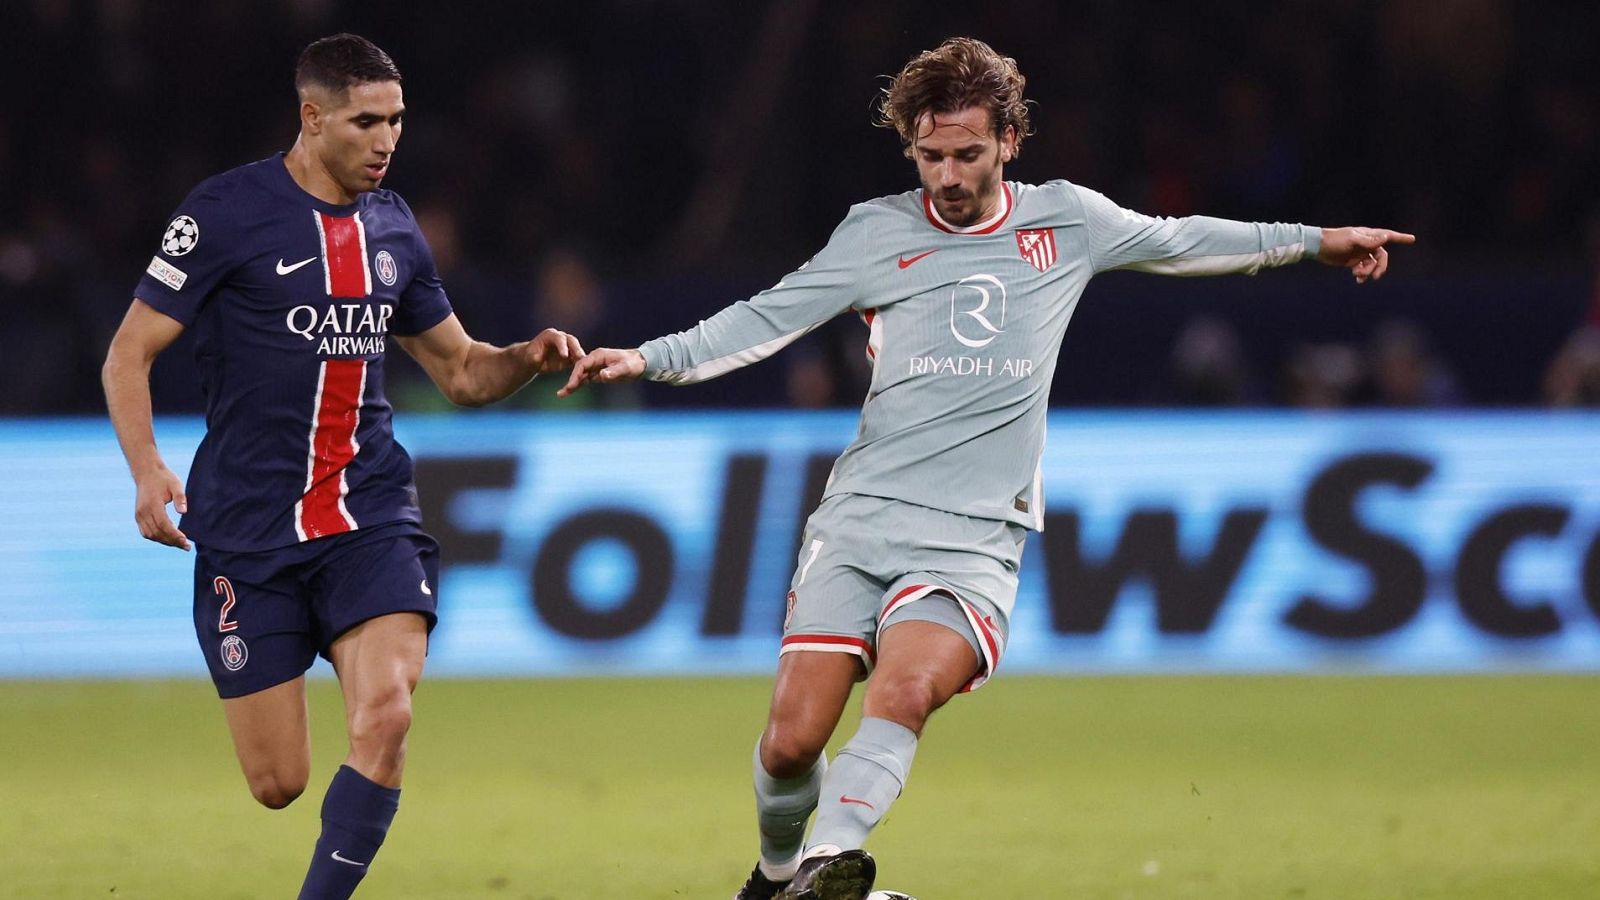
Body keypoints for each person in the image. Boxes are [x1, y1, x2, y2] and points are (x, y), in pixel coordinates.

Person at [561, 36, 1414, 900]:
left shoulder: (1067, 221)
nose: (949, 175)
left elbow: (1182, 238)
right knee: (790, 742)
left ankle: (829, 860)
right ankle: (777, 878)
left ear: (1010, 140)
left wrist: (1316, 241)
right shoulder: (875, 232)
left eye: (968, 153)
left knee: (908, 688)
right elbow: (767, 316)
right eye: (931, 156)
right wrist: (649, 357)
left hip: (975, 534)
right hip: (861, 517)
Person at [101, 34, 582, 899]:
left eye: (396, 120)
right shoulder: (224, 213)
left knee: (388, 712)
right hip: (248, 529)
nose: (386, 140)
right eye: (366, 121)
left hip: (369, 514)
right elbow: (127, 353)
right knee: (278, 782)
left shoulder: (395, 228)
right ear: (312, 117)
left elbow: (463, 370)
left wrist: (527, 355)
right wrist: (146, 468)